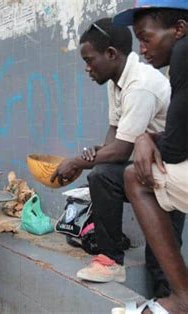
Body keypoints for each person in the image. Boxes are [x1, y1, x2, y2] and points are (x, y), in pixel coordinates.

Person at [50, 18, 182, 289]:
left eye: (89, 60)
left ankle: (169, 302)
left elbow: (121, 150)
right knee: (102, 175)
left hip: (172, 176)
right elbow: (115, 138)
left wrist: (78, 162)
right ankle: (109, 259)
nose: (87, 68)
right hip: (148, 172)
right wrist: (96, 156)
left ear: (111, 54)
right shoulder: (116, 80)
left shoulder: (140, 84)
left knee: (162, 261)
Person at [113, 2, 188, 312]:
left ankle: (183, 298)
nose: (142, 50)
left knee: (135, 177)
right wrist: (148, 137)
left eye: (147, 38)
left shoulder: (184, 54)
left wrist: (147, 138)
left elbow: (173, 150)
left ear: (179, 29)